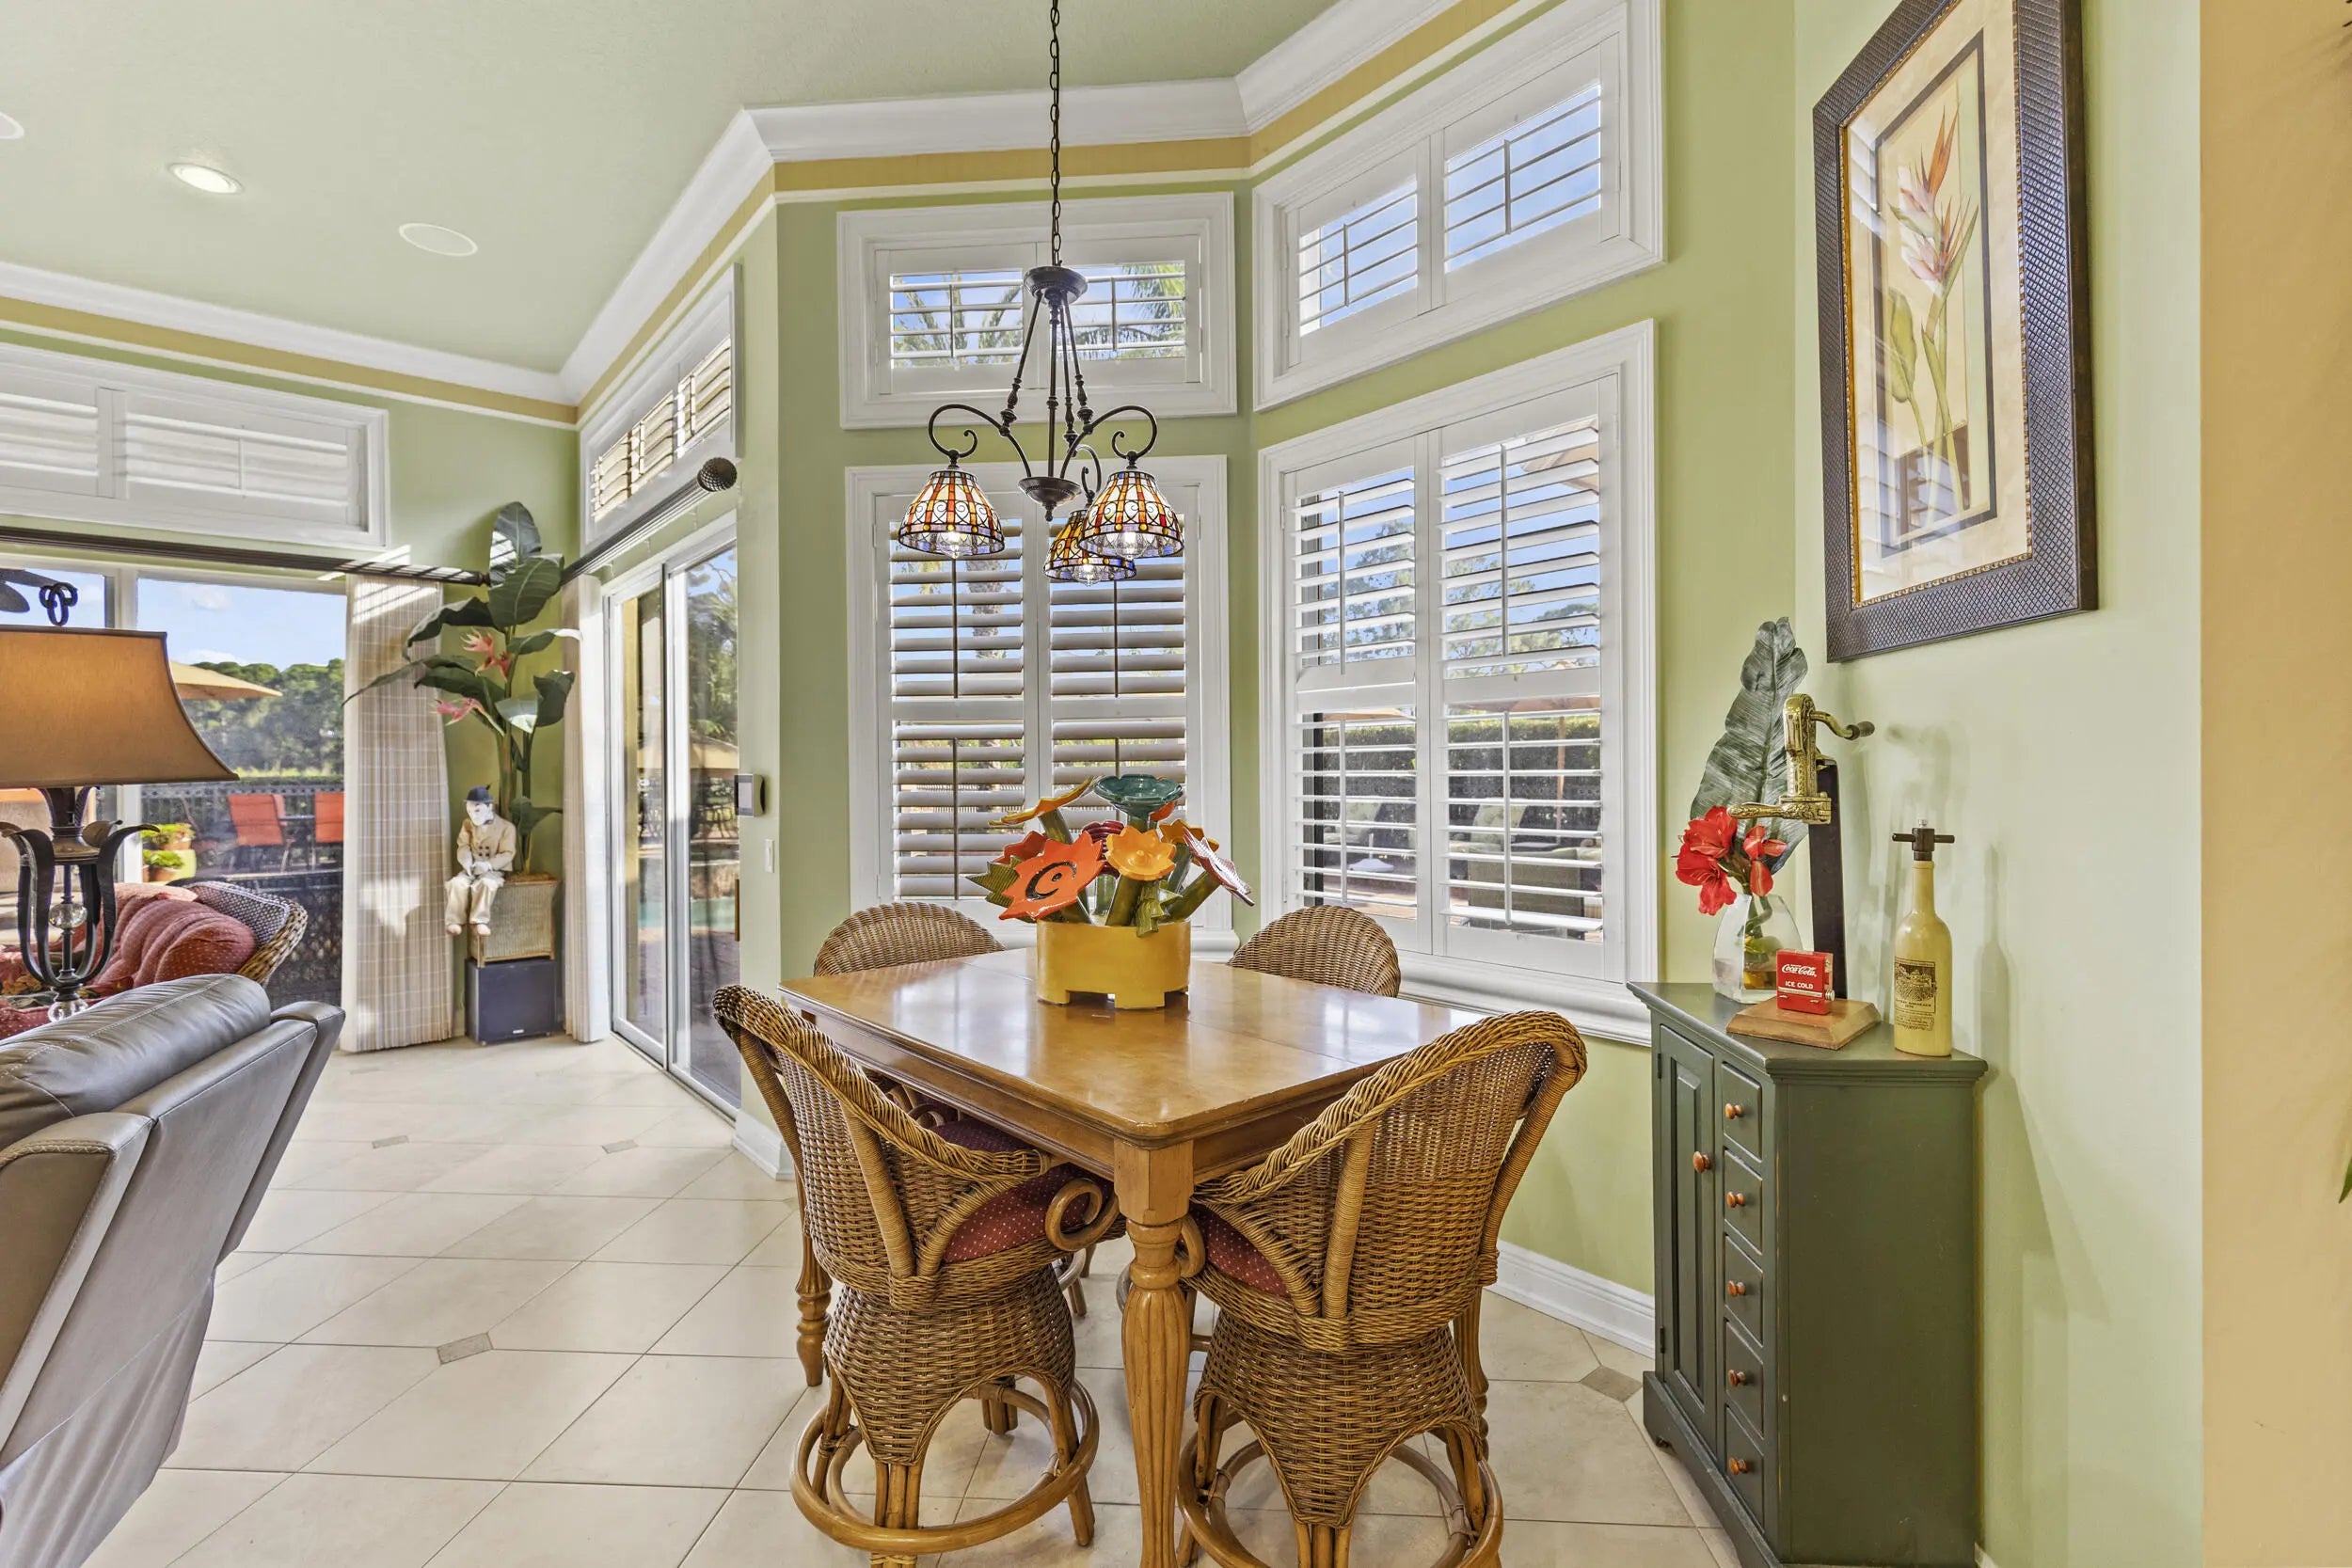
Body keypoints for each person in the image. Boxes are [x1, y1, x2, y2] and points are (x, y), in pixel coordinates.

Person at [444, 786, 516, 935]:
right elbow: (463, 845)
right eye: (469, 811)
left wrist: (488, 865)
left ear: (489, 807)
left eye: (477, 810)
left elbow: (507, 853)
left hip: (493, 870)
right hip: (471, 867)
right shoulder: (467, 825)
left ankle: (479, 920)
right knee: (456, 883)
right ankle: (455, 920)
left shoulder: (506, 827)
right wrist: (466, 861)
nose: (473, 815)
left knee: (486, 883)